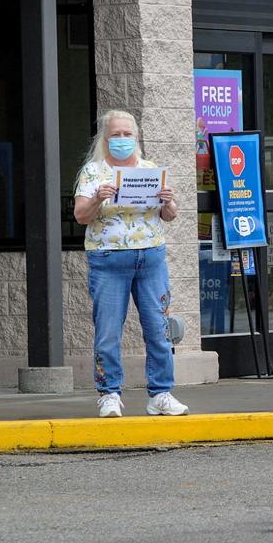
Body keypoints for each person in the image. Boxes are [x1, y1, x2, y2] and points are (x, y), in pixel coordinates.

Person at [72, 108, 189, 418]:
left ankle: (161, 393)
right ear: (105, 139)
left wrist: (169, 201)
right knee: (108, 331)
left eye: (128, 134)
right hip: (108, 259)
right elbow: (81, 215)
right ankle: (109, 393)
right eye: (116, 135)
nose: (122, 140)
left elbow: (170, 215)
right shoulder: (94, 172)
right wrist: (98, 198)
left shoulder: (149, 169)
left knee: (159, 328)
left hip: (150, 258)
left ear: (136, 138)